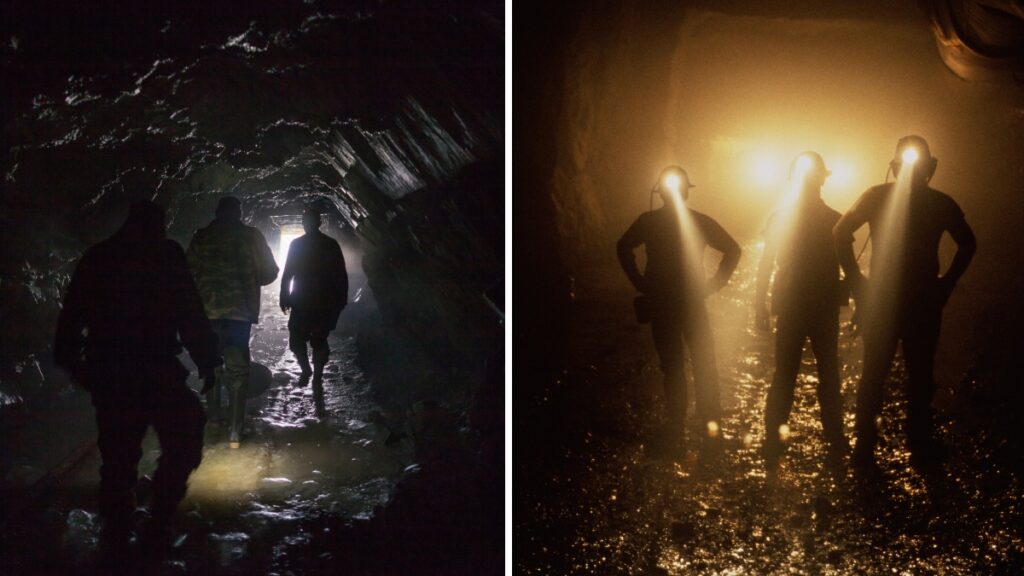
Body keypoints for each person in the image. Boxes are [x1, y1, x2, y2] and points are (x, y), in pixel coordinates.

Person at [54, 201, 222, 561]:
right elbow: (188, 310)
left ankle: (117, 534)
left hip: (113, 374)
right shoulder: (166, 254)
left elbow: (70, 320)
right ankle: (157, 521)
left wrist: (78, 367)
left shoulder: (98, 257)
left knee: (118, 458)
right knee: (185, 440)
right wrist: (208, 359)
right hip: (157, 369)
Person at [833, 135, 975, 471]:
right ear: (931, 168)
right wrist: (946, 285)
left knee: (878, 372)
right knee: (917, 372)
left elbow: (840, 233)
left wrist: (856, 280)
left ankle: (867, 446)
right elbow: (968, 244)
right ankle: (917, 441)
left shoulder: (877, 197)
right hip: (922, 299)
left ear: (894, 167)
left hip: (888, 298)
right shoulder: (940, 203)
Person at [617, 166, 741, 453]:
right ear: (685, 191)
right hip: (690, 301)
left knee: (672, 365)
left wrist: (640, 281)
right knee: (703, 362)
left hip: (663, 300)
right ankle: (710, 427)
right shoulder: (698, 221)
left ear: (659, 192)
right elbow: (733, 249)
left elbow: (623, 246)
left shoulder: (648, 222)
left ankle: (675, 427)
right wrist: (714, 284)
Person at [755, 152, 849, 469]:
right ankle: (834, 440)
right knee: (826, 373)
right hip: (819, 305)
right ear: (824, 178)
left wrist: (760, 303)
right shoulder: (836, 219)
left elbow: (767, 263)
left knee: (786, 373)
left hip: (797, 303)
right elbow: (848, 268)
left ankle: (774, 440)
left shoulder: (785, 218)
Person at [186, 196, 279, 448]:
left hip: (207, 316)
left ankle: (214, 420)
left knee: (211, 366)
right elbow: (270, 272)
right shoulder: (252, 236)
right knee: (238, 371)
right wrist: (247, 277)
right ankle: (235, 433)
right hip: (239, 316)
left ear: (216, 213)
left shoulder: (201, 236)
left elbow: (186, 273)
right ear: (239, 213)